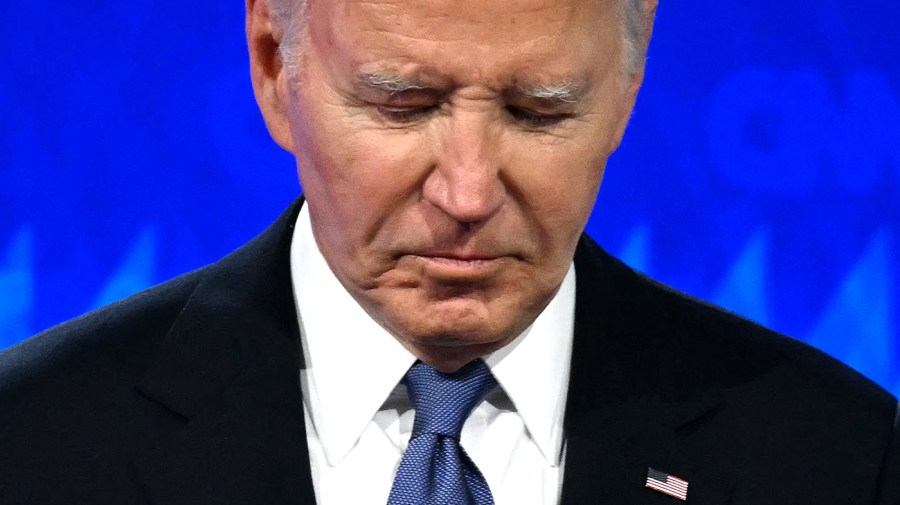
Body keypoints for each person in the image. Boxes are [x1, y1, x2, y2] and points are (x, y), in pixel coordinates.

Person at [0, 0, 897, 503]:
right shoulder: (33, 440)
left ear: (627, 91)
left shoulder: (836, 458)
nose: (468, 193)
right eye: (403, 105)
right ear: (276, 67)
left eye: (539, 111)